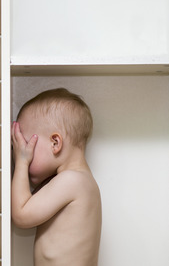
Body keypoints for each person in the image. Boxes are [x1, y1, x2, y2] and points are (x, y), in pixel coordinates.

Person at [11, 88, 101, 266]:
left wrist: (21, 162)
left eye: (27, 145)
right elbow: (27, 201)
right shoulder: (75, 180)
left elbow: (21, 215)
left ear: (55, 143)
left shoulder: (71, 181)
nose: (22, 153)